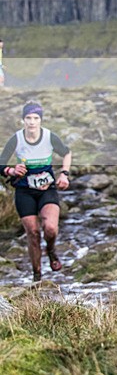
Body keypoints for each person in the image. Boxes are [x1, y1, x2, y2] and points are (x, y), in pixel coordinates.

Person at [1, 102, 71, 282]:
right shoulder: (16, 139)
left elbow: (66, 153)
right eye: (28, 118)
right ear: (23, 120)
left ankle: (51, 249)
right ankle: (37, 277)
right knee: (32, 232)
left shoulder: (49, 136)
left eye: (36, 118)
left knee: (50, 228)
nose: (32, 122)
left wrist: (64, 174)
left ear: (41, 120)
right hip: (24, 191)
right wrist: (11, 171)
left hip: (47, 189)